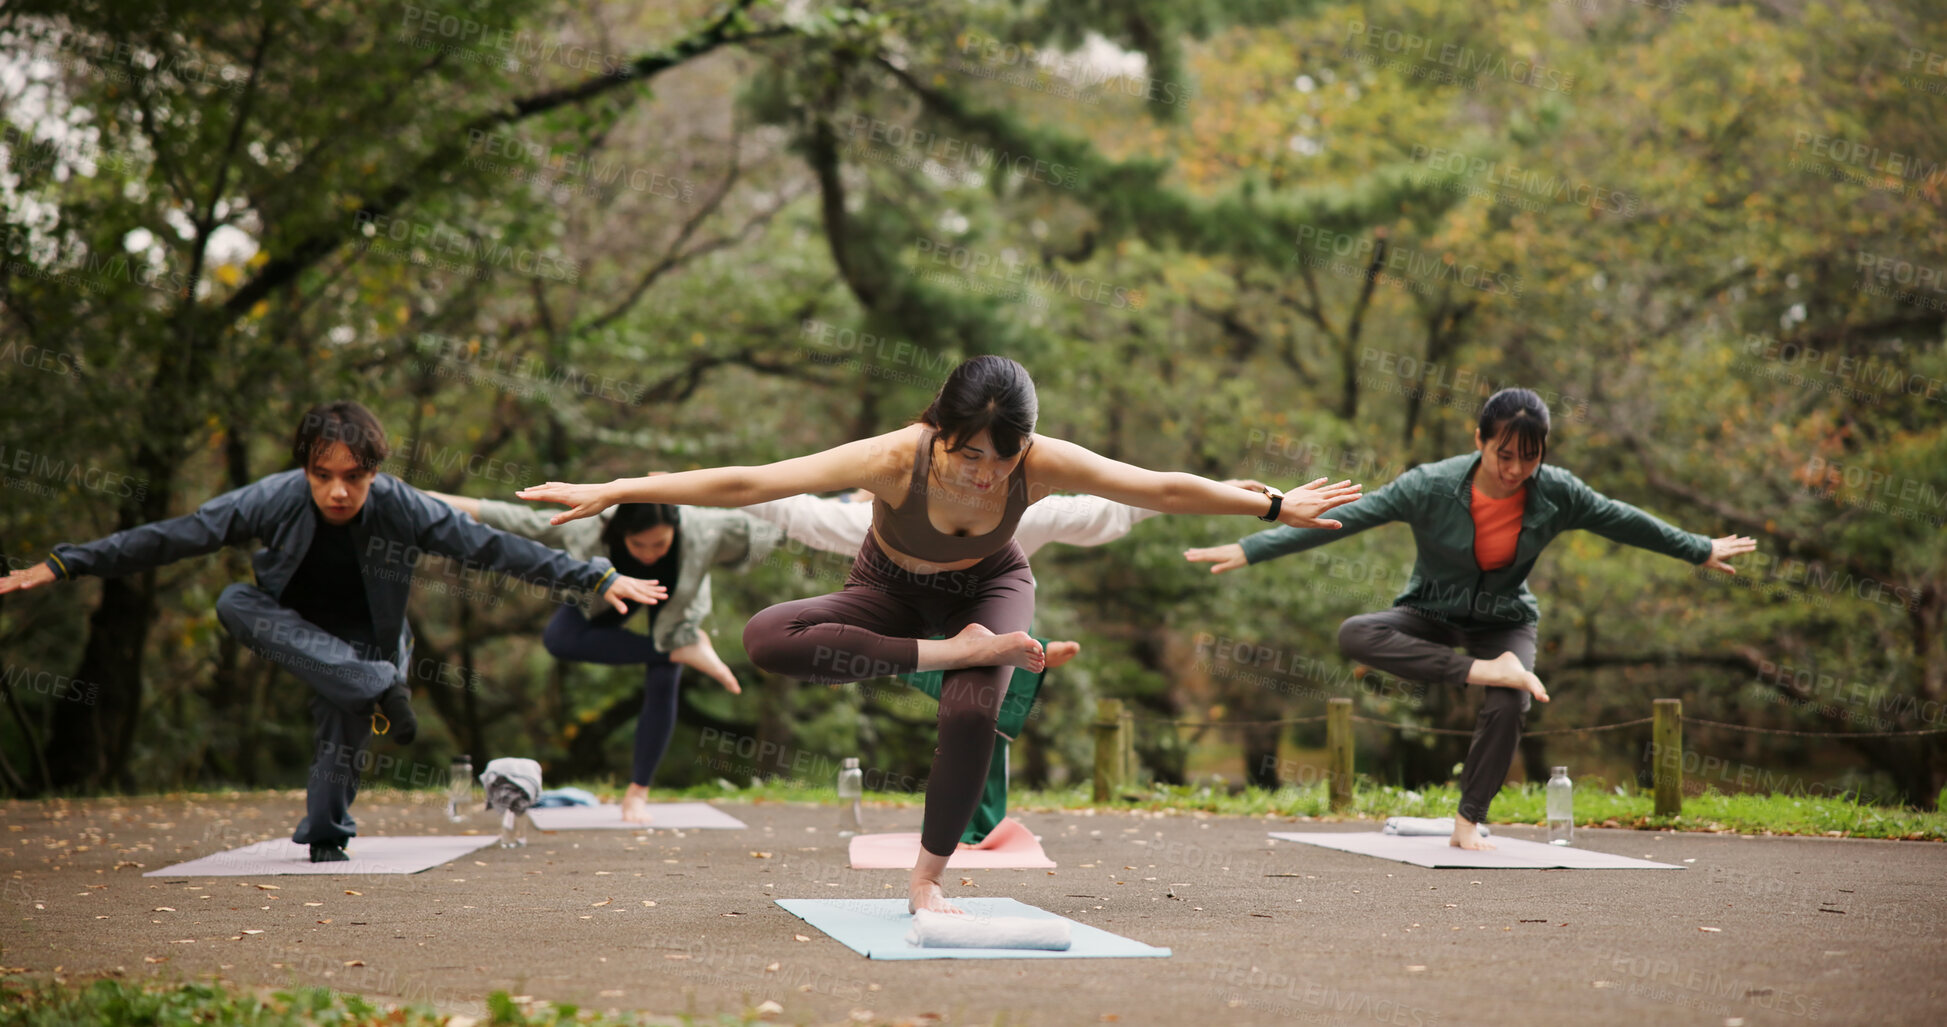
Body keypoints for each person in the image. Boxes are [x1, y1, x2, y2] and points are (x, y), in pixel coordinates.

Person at [517, 355, 1364, 911]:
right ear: (941, 432)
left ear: (1022, 445)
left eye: (998, 459)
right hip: (886, 592)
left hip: (989, 588)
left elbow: (1160, 488)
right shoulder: (896, 456)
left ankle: (927, 882)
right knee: (768, 635)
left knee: (968, 715)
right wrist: (621, 483)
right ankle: (948, 655)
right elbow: (752, 478)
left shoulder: (1038, 462)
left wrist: (1270, 503)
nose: (981, 473)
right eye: (966, 454)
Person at [0, 402, 667, 861]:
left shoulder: (404, 505)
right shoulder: (271, 497)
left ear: (374, 471)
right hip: (299, 632)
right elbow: (173, 536)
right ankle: (375, 687)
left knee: (328, 809)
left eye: (354, 478)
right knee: (234, 600)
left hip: (371, 646)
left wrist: (594, 579)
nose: (339, 492)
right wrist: (64, 562)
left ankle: (326, 827)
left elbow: (491, 547)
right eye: (324, 477)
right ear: (305, 470)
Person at [1185, 388, 1756, 850]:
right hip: (1430, 612)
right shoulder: (1429, 485)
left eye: (1530, 457)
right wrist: (1252, 548)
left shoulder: (1558, 494)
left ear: (1544, 451)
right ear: (1479, 439)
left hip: (1504, 620)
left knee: (1514, 699)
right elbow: (1351, 516)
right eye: (1503, 454)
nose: (1515, 469)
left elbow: (1623, 519)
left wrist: (1698, 547)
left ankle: (1468, 822)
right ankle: (1487, 671)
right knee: (1356, 633)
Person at [741, 481, 1267, 845]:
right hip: (912, 628)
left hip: (977, 625)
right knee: (951, 665)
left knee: (977, 701)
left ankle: (1015, 661)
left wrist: (1224, 492)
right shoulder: (866, 519)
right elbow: (788, 507)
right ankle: (1024, 653)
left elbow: (1118, 505)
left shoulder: (1010, 514)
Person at [424, 491, 783, 823]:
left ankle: (638, 794)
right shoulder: (589, 528)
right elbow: (514, 518)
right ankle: (679, 651)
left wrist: (837, 501)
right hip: (608, 592)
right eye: (637, 544)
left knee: (663, 673)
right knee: (560, 639)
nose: (649, 553)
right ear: (618, 531)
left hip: (671, 602)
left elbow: (774, 514)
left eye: (660, 543)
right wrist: (424, 498)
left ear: (676, 528)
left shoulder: (706, 527)